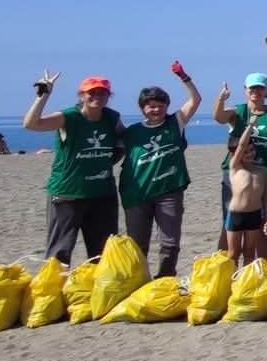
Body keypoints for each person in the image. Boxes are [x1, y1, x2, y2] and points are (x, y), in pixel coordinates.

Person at [22, 71, 124, 264]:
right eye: (91, 92)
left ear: (109, 96)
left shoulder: (111, 118)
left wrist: (117, 154)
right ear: (82, 95)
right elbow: (31, 124)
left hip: (102, 194)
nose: (97, 97)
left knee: (103, 254)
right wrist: (43, 94)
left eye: (102, 93)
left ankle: (96, 292)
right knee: (59, 253)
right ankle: (54, 290)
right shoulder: (68, 117)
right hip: (68, 195)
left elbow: (125, 138)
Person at [119, 68, 202, 277]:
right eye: (151, 106)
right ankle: (138, 281)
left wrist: (184, 77)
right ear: (142, 108)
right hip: (137, 194)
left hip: (169, 191)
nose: (156, 110)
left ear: (167, 106)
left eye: (160, 105)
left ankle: (164, 280)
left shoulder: (175, 123)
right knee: (137, 245)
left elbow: (196, 99)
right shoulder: (131, 132)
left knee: (170, 243)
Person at [212, 67, 267, 240]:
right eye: (251, 88)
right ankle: (227, 264)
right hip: (237, 174)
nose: (255, 91)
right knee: (229, 222)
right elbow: (219, 117)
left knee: (262, 222)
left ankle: (260, 264)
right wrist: (221, 98)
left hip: (266, 173)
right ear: (245, 90)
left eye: (260, 88)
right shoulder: (239, 111)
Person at [224, 130, 267, 266]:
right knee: (233, 253)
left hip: (254, 215)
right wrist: (250, 126)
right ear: (235, 154)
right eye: (245, 152)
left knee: (250, 253)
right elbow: (242, 145)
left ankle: (244, 285)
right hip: (236, 215)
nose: (249, 153)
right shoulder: (235, 167)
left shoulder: (262, 170)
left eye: (252, 150)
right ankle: (230, 283)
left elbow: (265, 196)